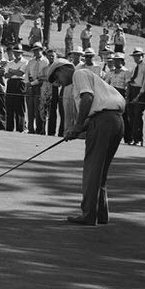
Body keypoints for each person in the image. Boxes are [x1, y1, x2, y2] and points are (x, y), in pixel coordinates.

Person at [54, 56, 126, 225]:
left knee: (92, 169)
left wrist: (77, 126)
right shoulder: (89, 78)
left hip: (103, 122)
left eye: (57, 77)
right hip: (115, 120)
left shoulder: (78, 74)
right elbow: (94, 110)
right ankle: (100, 214)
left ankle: (88, 215)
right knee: (100, 171)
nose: (59, 82)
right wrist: (78, 129)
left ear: (63, 70)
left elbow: (87, 99)